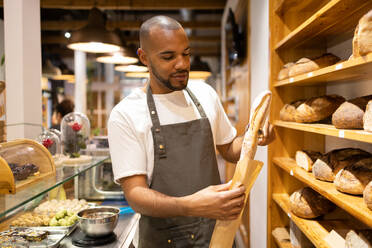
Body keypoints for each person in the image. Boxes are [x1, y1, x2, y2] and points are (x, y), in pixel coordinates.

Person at [108, 16, 274, 248]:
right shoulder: (126, 114)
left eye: (185, 53)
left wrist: (253, 136)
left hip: (216, 234)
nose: (182, 64)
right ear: (144, 58)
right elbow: (136, 194)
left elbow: (229, 150)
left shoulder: (205, 94)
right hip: (162, 240)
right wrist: (191, 205)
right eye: (168, 57)